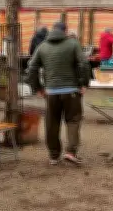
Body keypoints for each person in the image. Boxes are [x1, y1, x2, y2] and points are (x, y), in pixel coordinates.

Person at [25, 22, 89, 166]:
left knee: (52, 122)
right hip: (71, 91)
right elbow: (83, 64)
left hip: (51, 92)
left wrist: (38, 88)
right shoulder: (73, 44)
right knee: (73, 120)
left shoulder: (42, 46)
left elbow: (31, 68)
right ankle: (71, 152)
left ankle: (54, 155)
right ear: (65, 31)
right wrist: (84, 83)